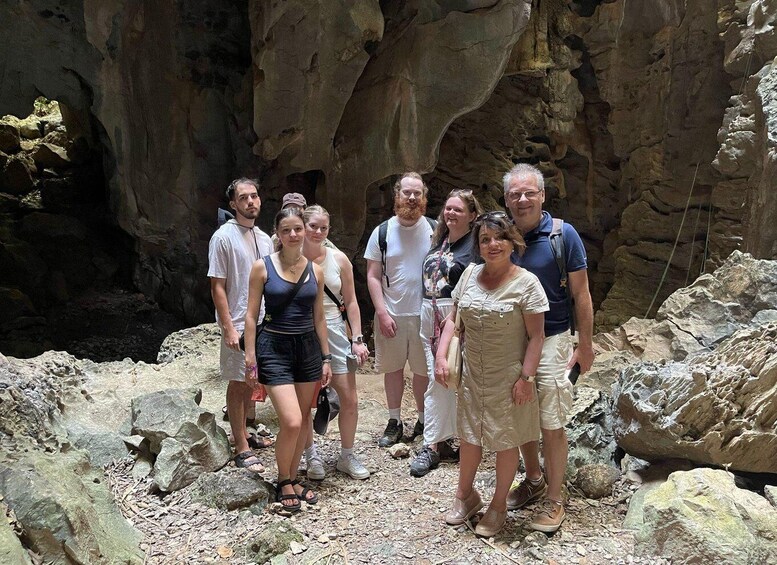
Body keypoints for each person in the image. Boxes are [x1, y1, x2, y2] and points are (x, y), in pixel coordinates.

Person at [435, 211, 548, 537]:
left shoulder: (526, 283)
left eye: (499, 237)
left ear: (512, 241)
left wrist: (526, 379)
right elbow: (453, 320)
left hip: (509, 378)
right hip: (473, 375)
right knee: (469, 436)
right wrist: (441, 355)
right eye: (485, 239)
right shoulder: (470, 274)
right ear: (478, 245)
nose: (492, 244)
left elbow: (537, 337)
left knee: (505, 440)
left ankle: (498, 505)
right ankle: (465, 495)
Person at [503, 163, 594, 533]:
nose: (522, 200)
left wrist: (585, 344)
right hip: (512, 341)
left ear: (542, 195)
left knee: (552, 422)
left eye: (529, 193)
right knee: (520, 416)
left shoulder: (562, 235)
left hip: (554, 339)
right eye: (515, 194)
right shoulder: (501, 236)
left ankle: (555, 499)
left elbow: (581, 293)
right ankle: (534, 480)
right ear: (506, 199)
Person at [244, 207, 333, 513]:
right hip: (274, 348)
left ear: (304, 231)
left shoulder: (315, 271)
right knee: (292, 421)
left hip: (307, 348)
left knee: (304, 419)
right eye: (286, 230)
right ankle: (283, 479)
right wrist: (251, 358)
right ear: (278, 234)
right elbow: (251, 315)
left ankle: (293, 479)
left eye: (298, 229)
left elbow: (319, 317)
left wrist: (326, 357)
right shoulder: (263, 267)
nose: (293, 235)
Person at [410, 189, 483, 477]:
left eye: (458, 209)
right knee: (440, 376)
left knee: (444, 376)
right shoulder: (440, 241)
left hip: (454, 315)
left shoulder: (474, 246)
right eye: (448, 208)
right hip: (429, 313)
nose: (451, 213)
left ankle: (432, 444)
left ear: (472, 215)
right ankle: (443, 440)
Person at [300, 205, 371, 480]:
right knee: (304, 400)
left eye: (324, 228)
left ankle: (347, 455)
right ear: (303, 225)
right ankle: (311, 455)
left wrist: (357, 339)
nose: (318, 232)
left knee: (348, 397)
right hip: (302, 331)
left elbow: (351, 301)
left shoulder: (338, 259)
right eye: (313, 226)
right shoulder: (291, 258)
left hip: (335, 331)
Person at [208, 178, 274, 473]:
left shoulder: (264, 238)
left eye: (254, 196)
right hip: (237, 320)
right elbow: (217, 286)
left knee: (252, 379)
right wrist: (228, 328)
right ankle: (241, 447)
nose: (250, 201)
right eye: (244, 197)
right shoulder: (223, 237)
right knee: (238, 382)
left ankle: (245, 432)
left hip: (262, 321)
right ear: (233, 204)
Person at [365, 172, 435, 447]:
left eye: (417, 193)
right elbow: (373, 275)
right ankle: (394, 420)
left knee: (423, 371)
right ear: (397, 195)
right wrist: (382, 312)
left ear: (424, 197)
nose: (412, 198)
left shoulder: (435, 230)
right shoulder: (382, 232)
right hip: (391, 312)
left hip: (425, 314)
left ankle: (423, 420)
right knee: (392, 369)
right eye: (407, 192)